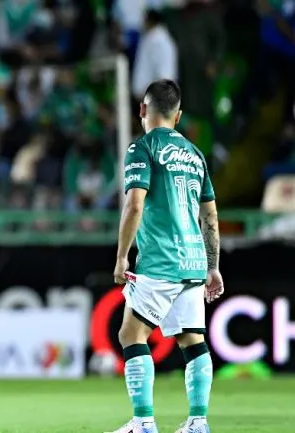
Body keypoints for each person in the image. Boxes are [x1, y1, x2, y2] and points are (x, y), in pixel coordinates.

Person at [109, 79, 223, 433]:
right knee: (192, 340)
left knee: (131, 334)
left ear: (142, 110)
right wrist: (213, 266)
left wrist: (122, 257)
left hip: (160, 258)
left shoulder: (141, 148)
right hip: (193, 260)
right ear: (179, 115)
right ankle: (198, 422)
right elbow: (211, 217)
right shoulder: (195, 154)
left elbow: (134, 205)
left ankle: (143, 422)